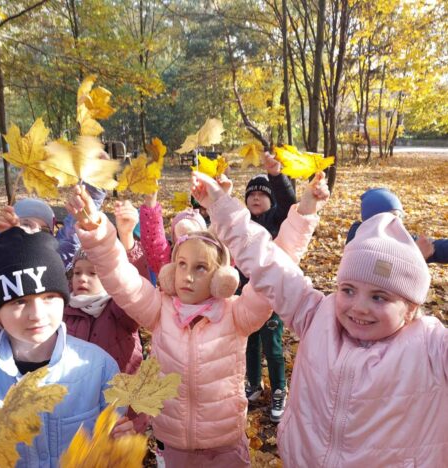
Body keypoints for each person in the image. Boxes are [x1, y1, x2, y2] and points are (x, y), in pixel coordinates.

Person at [191, 171, 447, 467]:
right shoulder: (318, 316)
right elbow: (267, 263)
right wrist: (221, 206)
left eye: (379, 297)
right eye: (348, 290)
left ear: (411, 307)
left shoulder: (431, 348)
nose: (359, 307)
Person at [65, 184, 278, 468]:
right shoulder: (159, 309)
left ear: (222, 278)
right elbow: (120, 276)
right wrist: (98, 232)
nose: (187, 276)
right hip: (175, 445)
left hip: (225, 445)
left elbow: (273, 275)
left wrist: (303, 216)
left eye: (200, 267)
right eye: (181, 264)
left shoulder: (236, 314)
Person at [0, 228, 131, 467]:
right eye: (20, 302)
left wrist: (119, 447)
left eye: (49, 297)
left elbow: (114, 442)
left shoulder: (99, 367)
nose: (37, 315)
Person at [0, 191, 106, 361]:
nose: (35, 232)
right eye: (26, 224)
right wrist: (3, 240)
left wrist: (94, 184)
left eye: (44, 230)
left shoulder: (49, 259)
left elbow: (71, 234)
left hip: (23, 362)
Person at [240, 154, 296, 422]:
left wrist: (276, 176)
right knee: (249, 344)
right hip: (244, 296)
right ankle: (253, 382)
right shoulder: (241, 224)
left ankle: (279, 389)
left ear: (271, 201)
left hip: (271, 298)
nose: (256, 198)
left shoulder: (276, 220)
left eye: (262, 194)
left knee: (272, 346)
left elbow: (289, 204)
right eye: (251, 195)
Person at [346, 188, 447, 263]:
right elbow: (378, 274)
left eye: (399, 217)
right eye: (390, 217)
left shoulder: (399, 237)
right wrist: (414, 257)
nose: (397, 222)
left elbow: (438, 247)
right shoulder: (358, 241)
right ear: (370, 221)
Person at [139, 191, 207, 276]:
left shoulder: (209, 262)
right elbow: (154, 241)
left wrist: (221, 200)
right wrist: (150, 201)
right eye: (182, 238)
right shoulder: (168, 261)